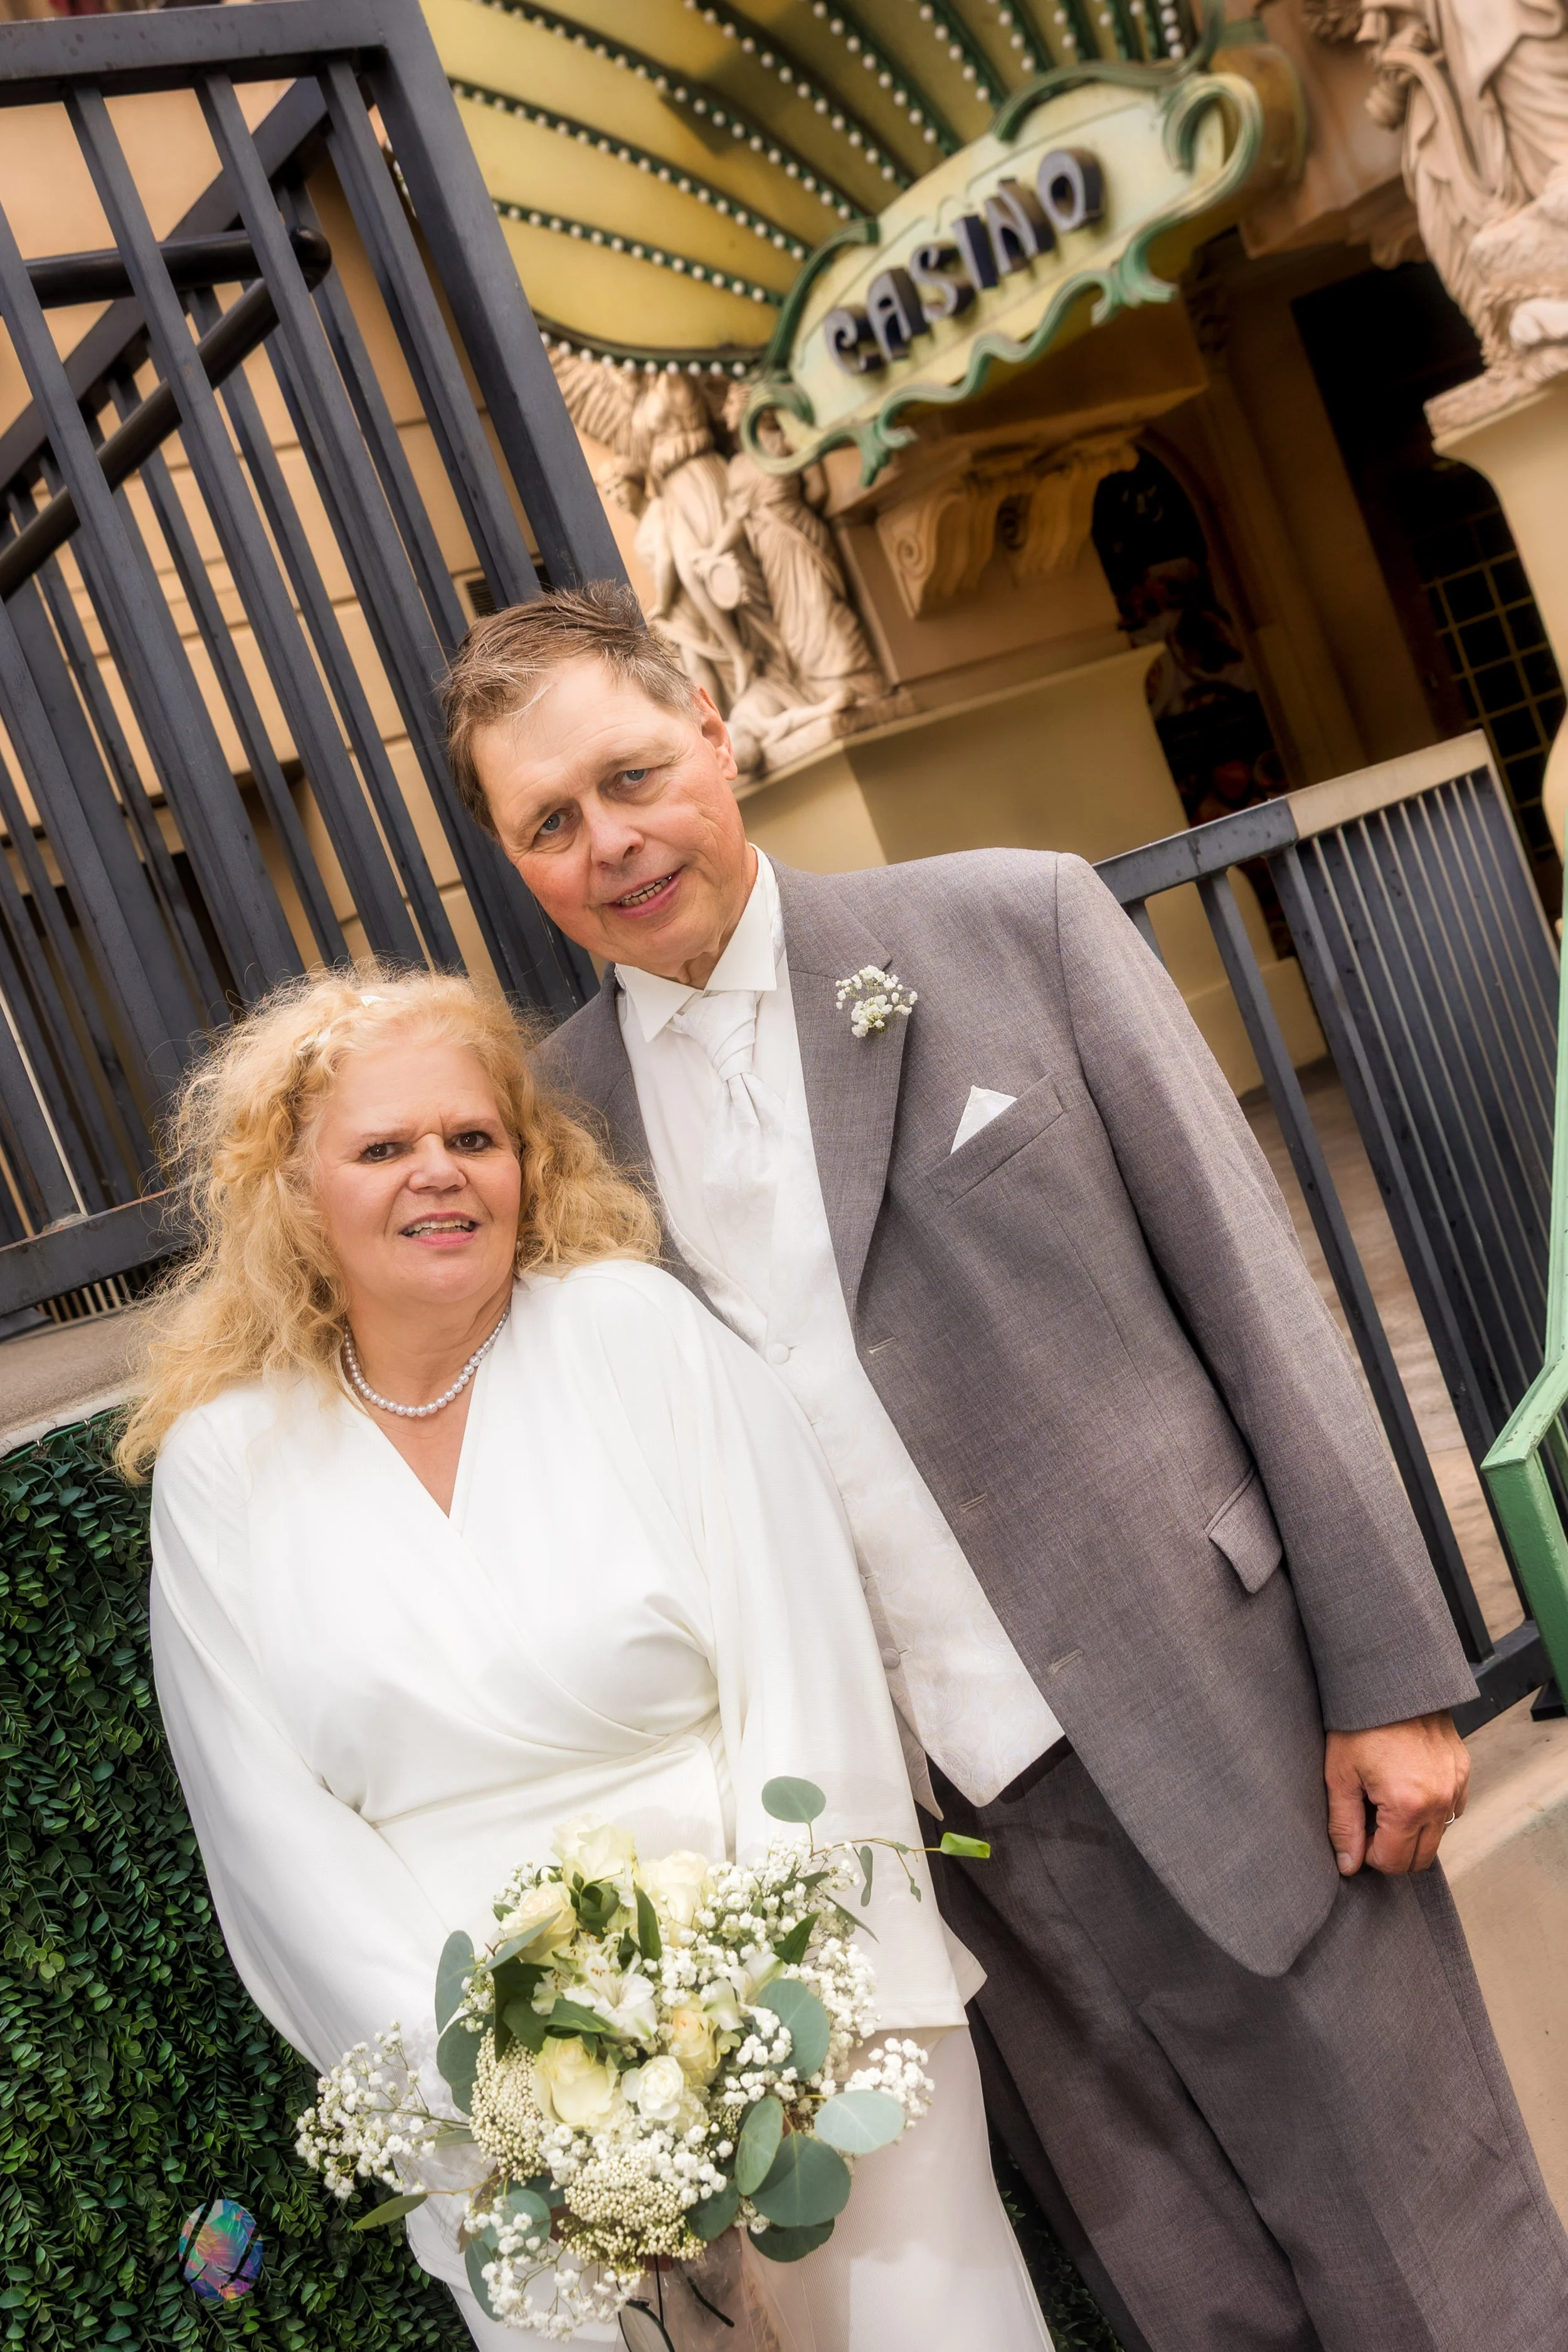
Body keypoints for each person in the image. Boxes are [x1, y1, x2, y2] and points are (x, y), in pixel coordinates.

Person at [443, 579, 1568, 2352]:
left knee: (1448, 2264)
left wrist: (1391, 1677)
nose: (611, 841)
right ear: (513, 860)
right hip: (930, 1846)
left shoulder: (1011, 927)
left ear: (716, 737)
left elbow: (1255, 1297)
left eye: (632, 775)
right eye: (549, 823)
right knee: (1182, 2298)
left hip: (1237, 1726)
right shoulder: (552, 1129)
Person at [130, 968, 1053, 2352]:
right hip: (507, 2127)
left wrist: (754, 2022)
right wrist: (517, 2106)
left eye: (473, 1138)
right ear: (290, 1192)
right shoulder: (223, 1470)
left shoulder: (635, 1336)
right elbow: (271, 1839)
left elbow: (801, 1667)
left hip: (800, 2027)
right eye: (383, 1147)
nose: (438, 1173)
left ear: (526, 1161)